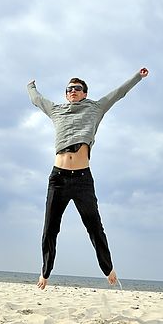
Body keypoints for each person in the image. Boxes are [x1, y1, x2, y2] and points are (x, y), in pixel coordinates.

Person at [27, 67, 149, 290]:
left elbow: (119, 93)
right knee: (50, 228)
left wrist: (137, 77)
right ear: (66, 94)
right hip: (58, 178)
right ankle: (45, 271)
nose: (73, 91)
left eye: (77, 88)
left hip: (82, 179)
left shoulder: (95, 108)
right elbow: (37, 100)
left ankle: (108, 269)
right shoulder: (56, 110)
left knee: (94, 227)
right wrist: (30, 86)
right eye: (69, 89)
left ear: (84, 92)